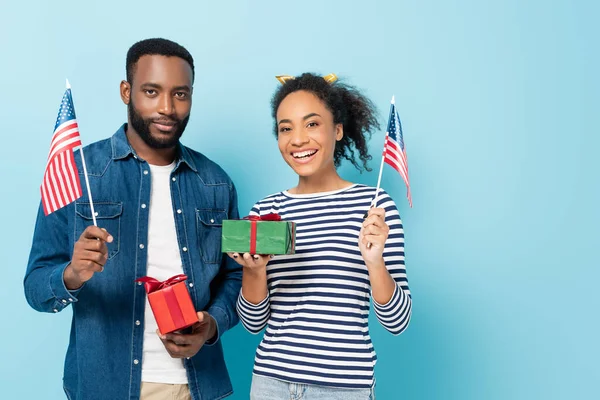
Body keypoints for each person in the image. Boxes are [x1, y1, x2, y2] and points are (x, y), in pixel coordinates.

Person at [24, 38, 241, 400]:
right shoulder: (78, 174)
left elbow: (235, 275)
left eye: (181, 94)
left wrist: (211, 324)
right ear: (127, 91)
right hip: (103, 385)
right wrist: (73, 274)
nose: (167, 108)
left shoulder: (216, 182)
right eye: (152, 91)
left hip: (194, 386)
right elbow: (35, 286)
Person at [231, 73, 412, 399]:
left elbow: (397, 321)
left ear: (338, 130)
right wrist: (254, 270)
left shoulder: (374, 207)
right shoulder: (266, 209)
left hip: (343, 388)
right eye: (286, 128)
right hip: (271, 383)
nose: (298, 139)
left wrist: (374, 262)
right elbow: (253, 323)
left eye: (312, 124)